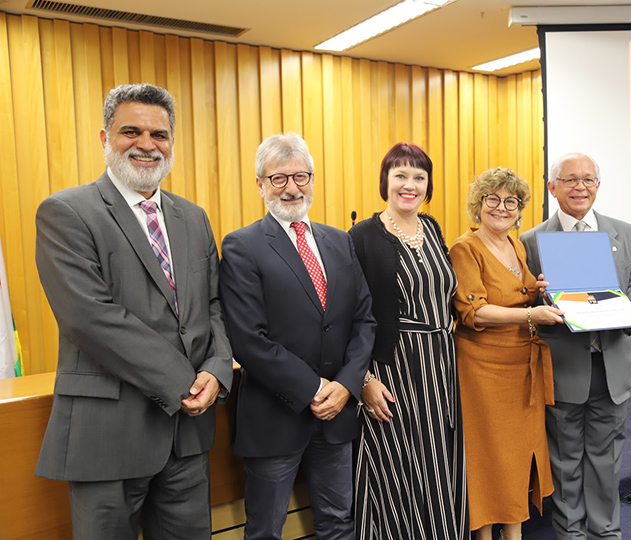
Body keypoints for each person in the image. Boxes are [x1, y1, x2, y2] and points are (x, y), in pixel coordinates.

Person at [34, 83, 234, 539]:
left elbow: (213, 306)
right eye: (131, 131)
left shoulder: (193, 217)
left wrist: (218, 369)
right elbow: (90, 317)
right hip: (108, 437)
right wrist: (186, 380)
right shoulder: (67, 212)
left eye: (159, 135)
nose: (147, 144)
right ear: (105, 139)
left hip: (187, 438)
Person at [218, 132, 375, 540]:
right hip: (275, 416)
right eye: (278, 178)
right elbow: (249, 338)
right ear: (260, 185)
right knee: (266, 531)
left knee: (338, 524)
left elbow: (364, 322)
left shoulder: (340, 241)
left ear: (312, 179)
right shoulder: (242, 246)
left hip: (337, 417)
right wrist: (314, 389)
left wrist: (345, 386)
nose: (292, 187)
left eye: (301, 176)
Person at [520, 152, 631, 539]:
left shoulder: (625, 233)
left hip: (613, 366)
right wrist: (540, 298)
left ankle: (606, 532)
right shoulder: (531, 241)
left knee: (606, 460)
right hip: (563, 369)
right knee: (565, 460)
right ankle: (570, 533)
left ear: (598, 185)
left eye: (589, 179)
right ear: (552, 187)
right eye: (571, 179)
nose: (581, 187)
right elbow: (524, 302)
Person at [349, 143, 470, 539]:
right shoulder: (362, 236)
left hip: (442, 364)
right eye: (400, 175)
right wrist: (364, 380)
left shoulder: (432, 228)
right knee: (399, 468)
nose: (410, 184)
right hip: (394, 368)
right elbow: (350, 314)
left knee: (443, 462)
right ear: (385, 180)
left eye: (419, 176)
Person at [449, 167, 565, 540]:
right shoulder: (464, 248)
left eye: (510, 202)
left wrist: (540, 292)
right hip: (483, 370)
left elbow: (522, 292)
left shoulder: (517, 245)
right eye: (492, 199)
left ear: (519, 210)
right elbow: (473, 311)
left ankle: (512, 534)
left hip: (521, 366)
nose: (501, 208)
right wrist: (531, 313)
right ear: (478, 204)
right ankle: (486, 536)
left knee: (517, 457)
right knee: (489, 459)